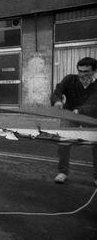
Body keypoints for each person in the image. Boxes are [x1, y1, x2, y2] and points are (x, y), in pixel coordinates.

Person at [51, 57, 97, 186]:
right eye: (80, 71)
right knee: (63, 143)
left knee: (96, 145)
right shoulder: (69, 79)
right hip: (70, 116)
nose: (82, 74)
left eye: (86, 71)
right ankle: (63, 172)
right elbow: (57, 91)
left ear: (94, 71)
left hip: (91, 118)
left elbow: (93, 103)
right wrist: (57, 101)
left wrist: (79, 110)